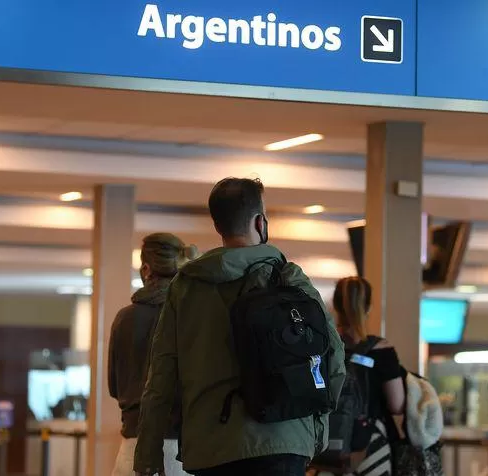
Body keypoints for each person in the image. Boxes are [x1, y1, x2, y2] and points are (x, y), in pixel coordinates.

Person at [134, 177, 346, 476]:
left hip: (212, 448)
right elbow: (332, 357)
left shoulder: (186, 287)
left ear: (218, 225)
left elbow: (161, 377)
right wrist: (316, 428)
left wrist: (148, 452)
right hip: (283, 440)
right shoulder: (287, 276)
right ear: (260, 222)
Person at [108, 232, 197, 476]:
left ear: (146, 269)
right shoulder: (191, 316)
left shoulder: (125, 318)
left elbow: (114, 387)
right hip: (182, 452)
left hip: (131, 449)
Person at [333, 276, 406, 475]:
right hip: (370, 446)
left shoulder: (322, 346)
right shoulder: (382, 350)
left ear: (336, 306)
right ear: (368, 307)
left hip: (324, 447)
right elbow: (396, 404)